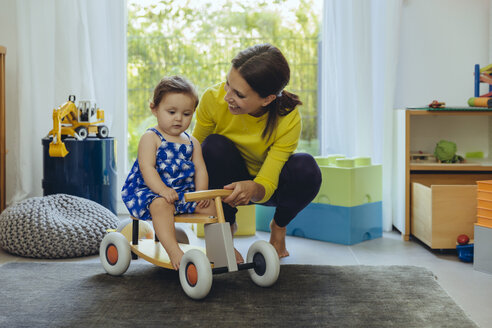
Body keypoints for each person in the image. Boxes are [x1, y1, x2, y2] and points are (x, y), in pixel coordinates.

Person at [192, 43, 322, 259]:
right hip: (226, 180)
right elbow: (194, 151)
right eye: (227, 84)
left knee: (306, 168)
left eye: (239, 94)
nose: (227, 97)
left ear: (268, 99)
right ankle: (225, 230)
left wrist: (253, 188)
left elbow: (268, 182)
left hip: (264, 184)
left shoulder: (287, 117)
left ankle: (278, 227)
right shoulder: (212, 99)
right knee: (212, 146)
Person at [121, 75, 217, 270]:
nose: (179, 118)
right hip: (149, 190)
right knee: (161, 205)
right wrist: (163, 190)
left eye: (186, 113)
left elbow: (200, 169)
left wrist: (201, 193)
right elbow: (147, 168)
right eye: (171, 111)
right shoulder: (151, 137)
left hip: (181, 192)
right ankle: (175, 252)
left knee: (213, 208)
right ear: (154, 108)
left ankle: (221, 248)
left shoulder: (192, 142)